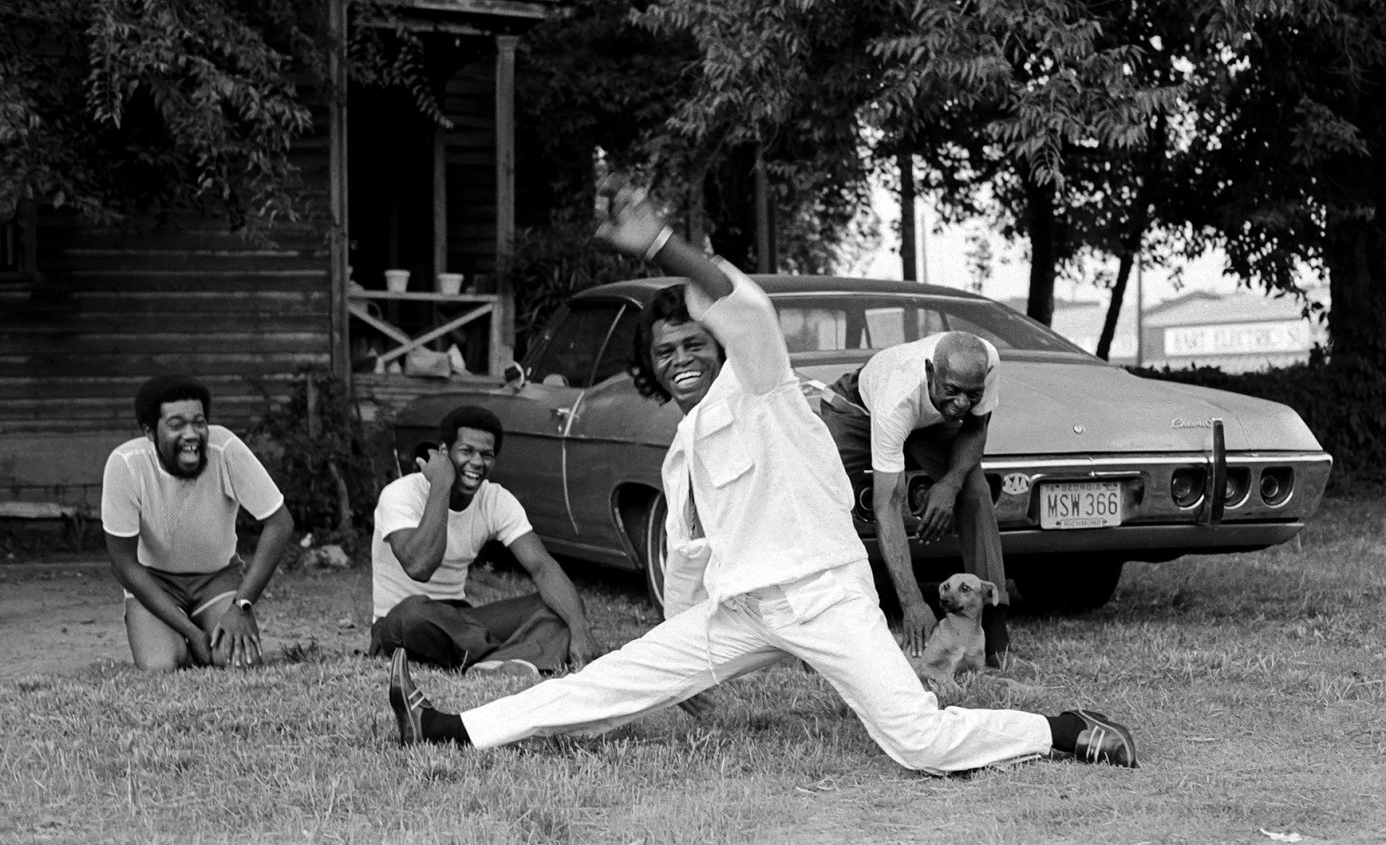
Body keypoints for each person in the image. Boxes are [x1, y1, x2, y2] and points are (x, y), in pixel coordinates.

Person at [383, 182, 1138, 773]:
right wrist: (689, 667)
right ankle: (450, 727)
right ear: (646, 366)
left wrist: (663, 245)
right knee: (614, 678)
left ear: (715, 348)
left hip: (823, 594)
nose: (681, 357)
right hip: (744, 609)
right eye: (665, 350)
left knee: (917, 742)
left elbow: (743, 309)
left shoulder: (762, 386)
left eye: (692, 342)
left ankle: (1062, 729)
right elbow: (686, 562)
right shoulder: (682, 450)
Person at [817, 331, 1015, 666]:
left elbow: (975, 428)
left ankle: (996, 639)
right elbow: (887, 506)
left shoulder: (987, 361)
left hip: (929, 420)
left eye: (972, 394)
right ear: (929, 372)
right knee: (828, 504)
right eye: (952, 390)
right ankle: (825, 632)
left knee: (975, 490)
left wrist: (949, 485)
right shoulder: (898, 398)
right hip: (857, 412)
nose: (963, 403)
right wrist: (912, 603)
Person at [369, 405, 598, 676]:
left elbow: (542, 567)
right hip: (401, 624)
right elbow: (419, 566)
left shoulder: (495, 499)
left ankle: (491, 665)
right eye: (467, 451)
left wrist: (580, 628)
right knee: (410, 613)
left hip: (461, 620)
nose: (477, 462)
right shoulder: (400, 494)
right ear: (444, 452)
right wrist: (441, 484)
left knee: (562, 606)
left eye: (486, 455)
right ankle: (512, 652)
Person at [101, 375, 294, 671]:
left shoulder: (225, 449)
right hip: (156, 583)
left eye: (199, 422)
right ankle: (176, 635)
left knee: (240, 663)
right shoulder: (126, 464)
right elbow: (123, 565)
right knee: (160, 666)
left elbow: (280, 523)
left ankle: (206, 628)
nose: (191, 434)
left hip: (217, 578)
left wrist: (241, 606)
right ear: (150, 431)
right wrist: (193, 634)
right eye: (176, 425)